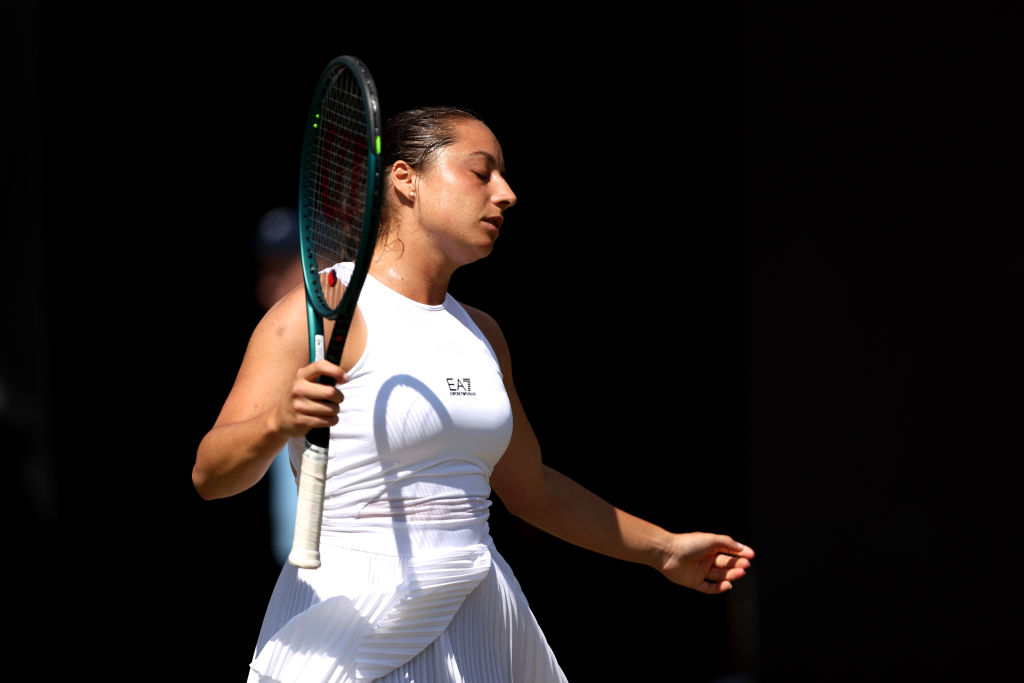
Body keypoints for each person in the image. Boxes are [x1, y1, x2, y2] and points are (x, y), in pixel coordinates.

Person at [193, 106, 755, 682]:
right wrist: (277, 422)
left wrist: (664, 549)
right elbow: (210, 476)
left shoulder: (483, 333)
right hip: (349, 618)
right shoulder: (317, 311)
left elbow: (533, 491)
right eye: (481, 173)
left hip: (481, 616)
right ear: (406, 180)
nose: (506, 194)